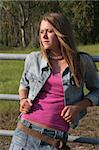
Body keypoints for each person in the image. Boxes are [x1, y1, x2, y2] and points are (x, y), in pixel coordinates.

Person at [9, 13, 99, 150]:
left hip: (55, 140)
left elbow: (97, 90)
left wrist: (78, 107)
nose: (44, 36)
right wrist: (23, 100)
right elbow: (24, 83)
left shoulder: (81, 62)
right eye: (41, 32)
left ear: (62, 33)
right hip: (25, 132)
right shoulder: (34, 59)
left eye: (50, 31)